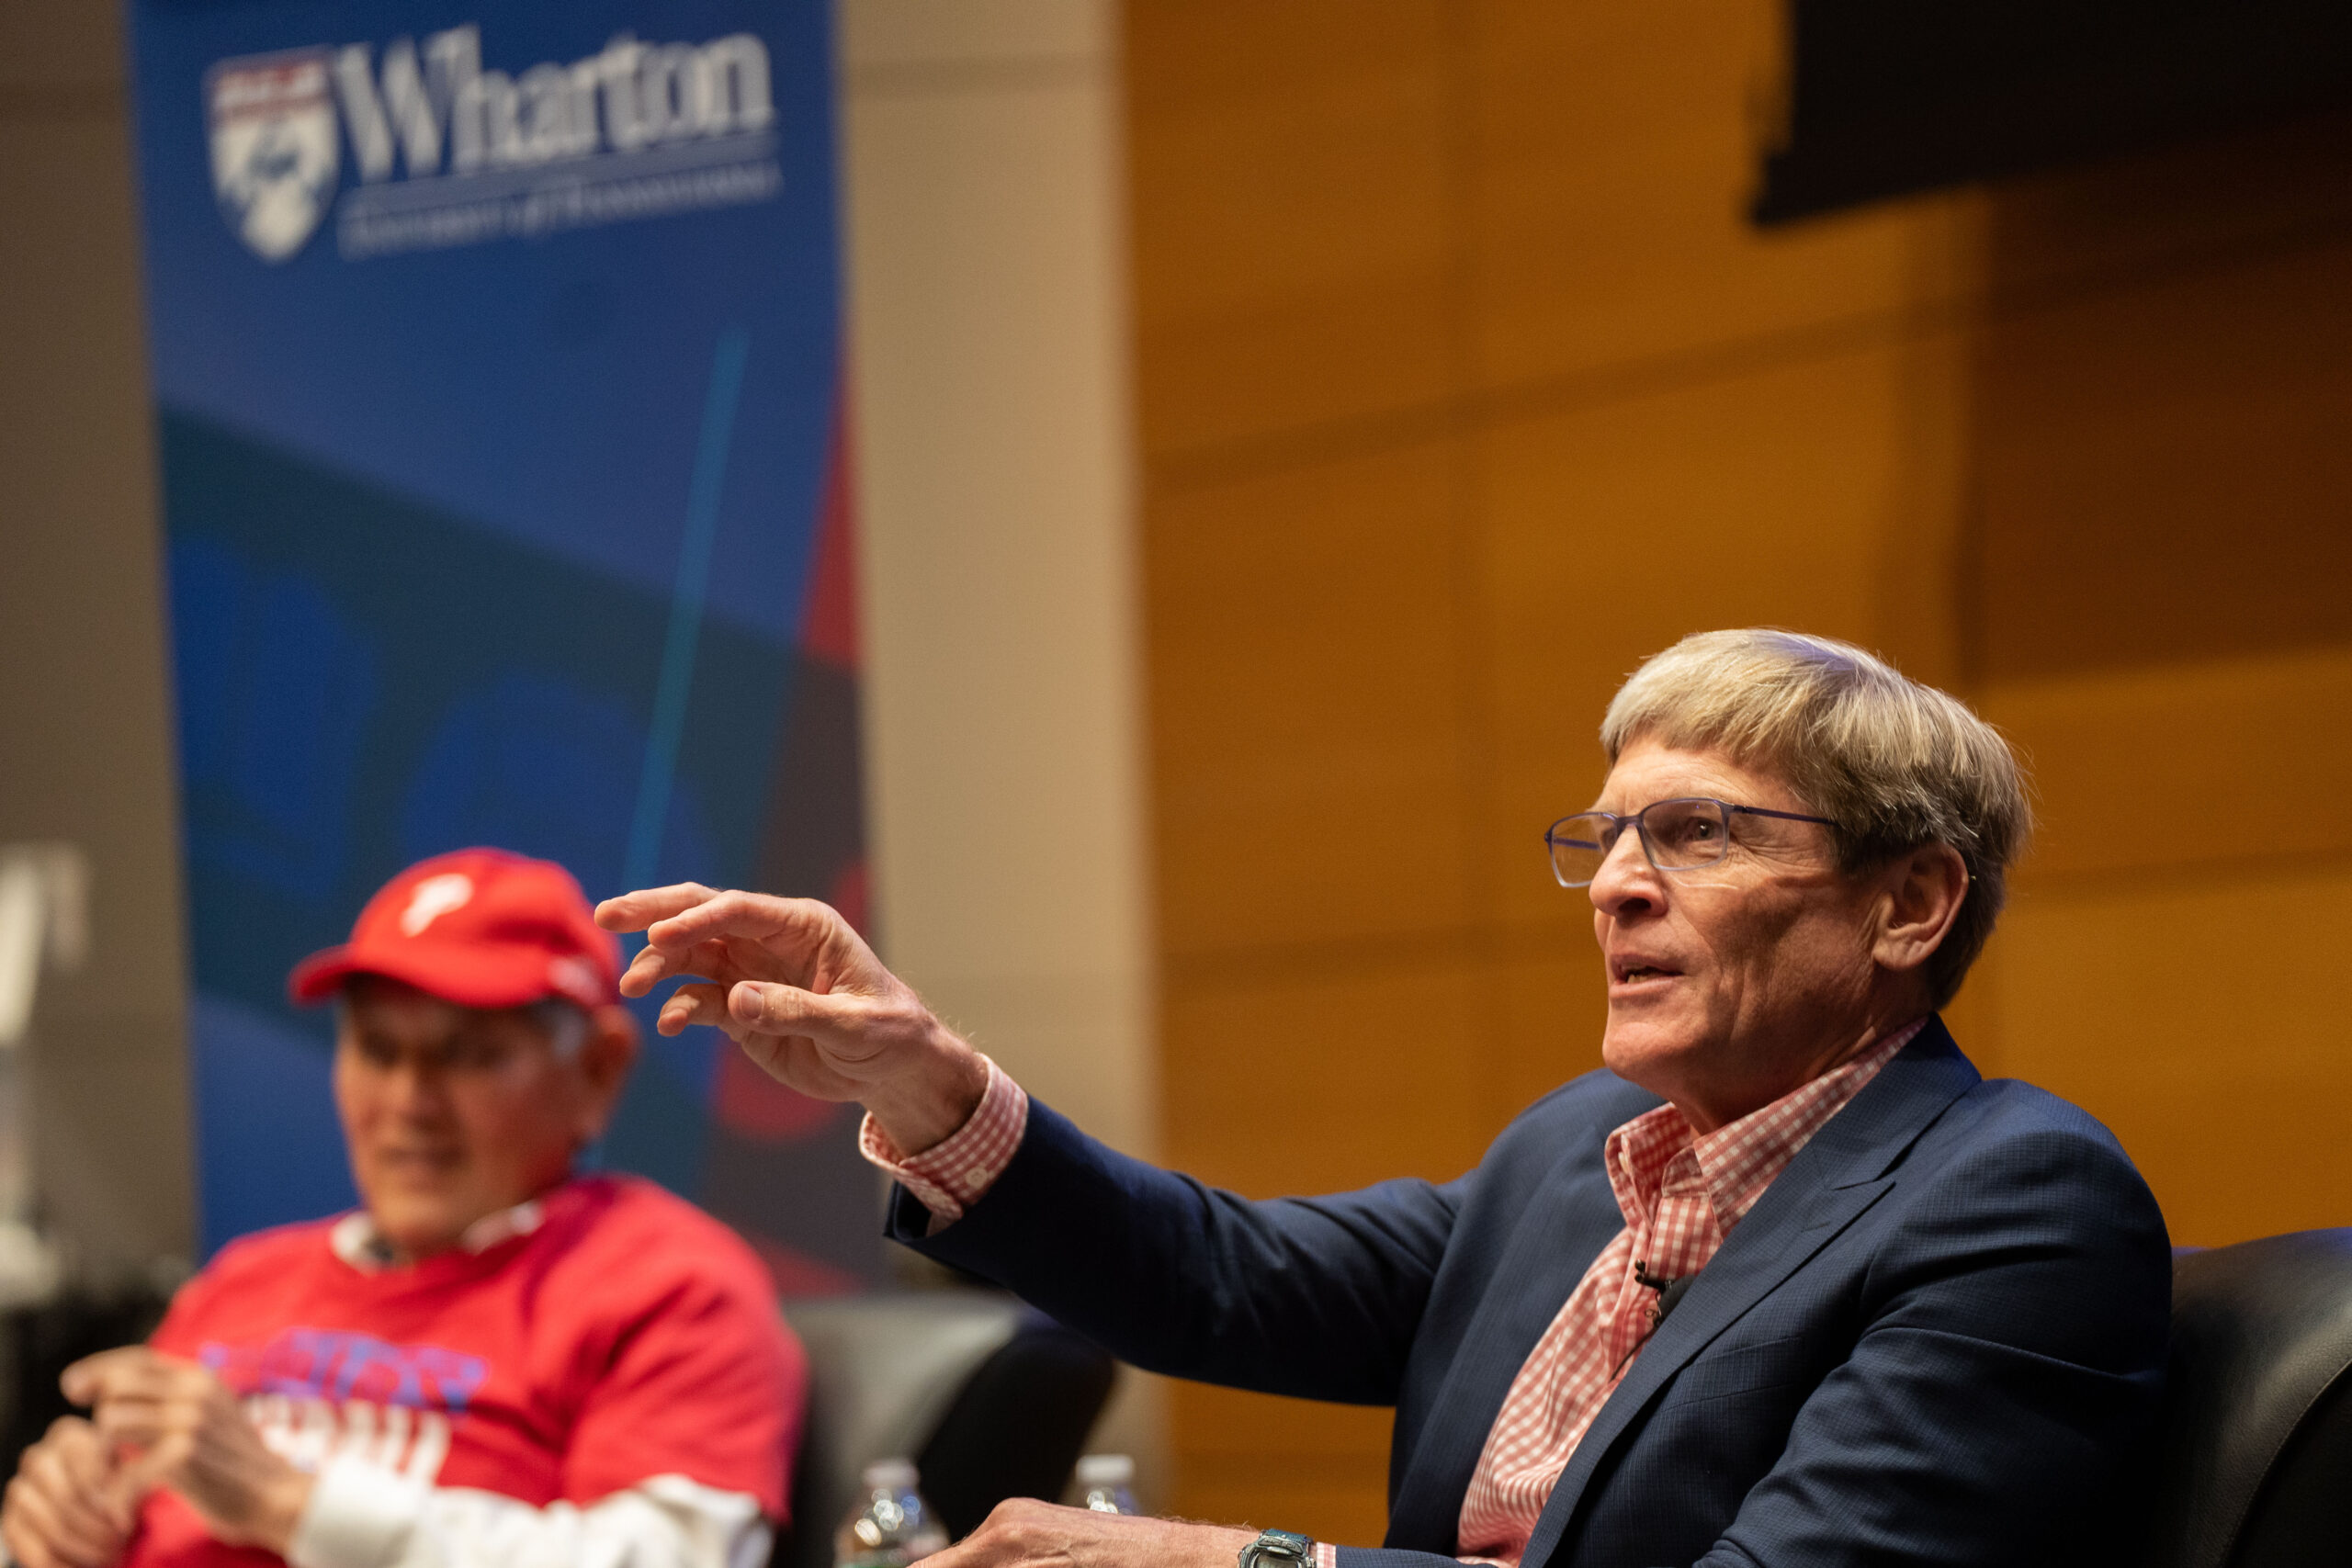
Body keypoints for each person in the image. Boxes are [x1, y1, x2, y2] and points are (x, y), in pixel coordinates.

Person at [599, 628, 2174, 1568]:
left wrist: (1246, 1562)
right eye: (1607, 838)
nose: (1615, 888)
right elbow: (1218, 1280)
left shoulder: (2015, 1201)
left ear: (1908, 905)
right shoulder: (1575, 1153)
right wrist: (931, 1084)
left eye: (1696, 834)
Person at [1, 848, 806, 1568]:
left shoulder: (670, 1284)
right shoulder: (244, 1277)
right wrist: (56, 1520)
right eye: (378, 1050)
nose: (408, 1102)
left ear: (597, 1071)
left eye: (470, 1054)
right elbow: (99, 1504)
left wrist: (286, 1502)